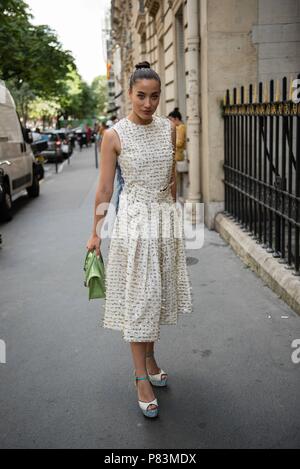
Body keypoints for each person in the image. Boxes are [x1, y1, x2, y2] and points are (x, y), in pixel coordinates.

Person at [86, 60, 193, 419]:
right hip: (134, 224)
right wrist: (95, 233)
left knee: (158, 294)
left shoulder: (169, 129)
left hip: (163, 221)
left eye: (155, 97)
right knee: (141, 298)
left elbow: (172, 175)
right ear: (130, 95)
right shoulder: (114, 135)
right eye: (141, 96)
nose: (148, 104)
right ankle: (139, 377)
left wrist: (174, 216)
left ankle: (149, 357)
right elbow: (104, 188)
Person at [168, 108, 187, 196]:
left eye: (171, 120)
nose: (170, 123)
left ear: (176, 119)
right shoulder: (177, 128)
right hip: (176, 155)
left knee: (175, 178)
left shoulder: (181, 128)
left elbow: (180, 142)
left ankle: (176, 194)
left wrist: (170, 142)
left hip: (178, 155)